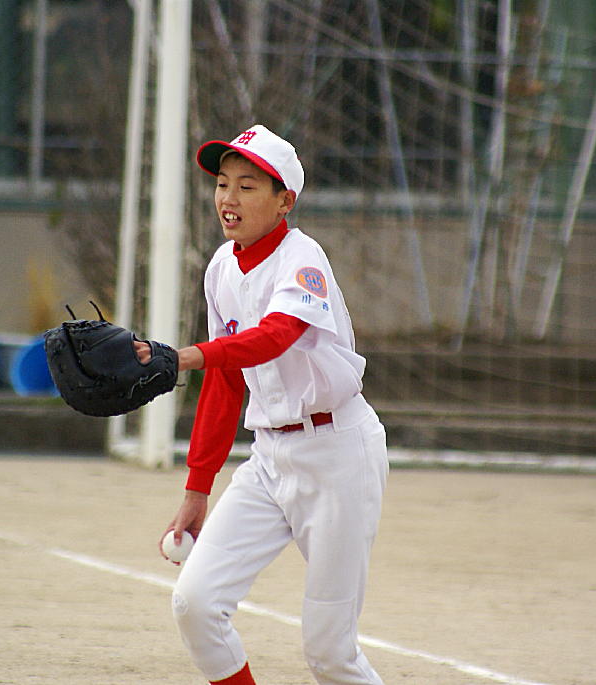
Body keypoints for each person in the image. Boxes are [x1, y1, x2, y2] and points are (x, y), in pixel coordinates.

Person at [135, 124, 389, 685]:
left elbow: (274, 337)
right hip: (269, 460)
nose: (228, 197)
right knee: (196, 604)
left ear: (284, 201)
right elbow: (225, 381)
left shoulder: (303, 258)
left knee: (330, 653)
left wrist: (183, 357)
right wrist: (197, 489)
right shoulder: (221, 268)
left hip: (338, 455)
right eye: (222, 183)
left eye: (248, 186)